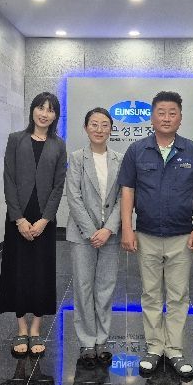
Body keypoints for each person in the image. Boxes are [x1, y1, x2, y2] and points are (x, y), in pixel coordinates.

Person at [118, 91, 193, 379]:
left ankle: (174, 349)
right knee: (150, 293)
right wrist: (127, 228)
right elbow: (128, 191)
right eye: (161, 112)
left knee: (179, 294)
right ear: (152, 117)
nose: (167, 118)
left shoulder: (192, 150)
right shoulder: (137, 150)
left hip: (181, 235)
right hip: (146, 234)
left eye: (172, 113)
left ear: (180, 117)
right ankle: (154, 347)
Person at [0, 92, 67, 357]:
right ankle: (21, 328)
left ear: (55, 115)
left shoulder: (58, 145)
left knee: (41, 272)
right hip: (19, 217)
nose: (44, 113)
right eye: (40, 108)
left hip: (44, 220)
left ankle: (36, 327)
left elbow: (58, 186)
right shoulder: (16, 139)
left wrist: (44, 220)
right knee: (17, 271)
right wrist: (19, 219)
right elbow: (9, 179)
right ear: (32, 110)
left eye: (50, 110)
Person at [66, 107, 123, 369]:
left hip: (110, 234)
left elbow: (124, 198)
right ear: (86, 127)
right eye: (94, 124)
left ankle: (102, 340)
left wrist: (108, 229)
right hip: (82, 235)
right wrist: (92, 232)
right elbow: (74, 197)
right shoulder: (77, 158)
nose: (99, 129)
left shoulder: (120, 159)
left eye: (104, 125)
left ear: (111, 129)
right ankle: (87, 341)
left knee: (106, 287)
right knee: (83, 287)